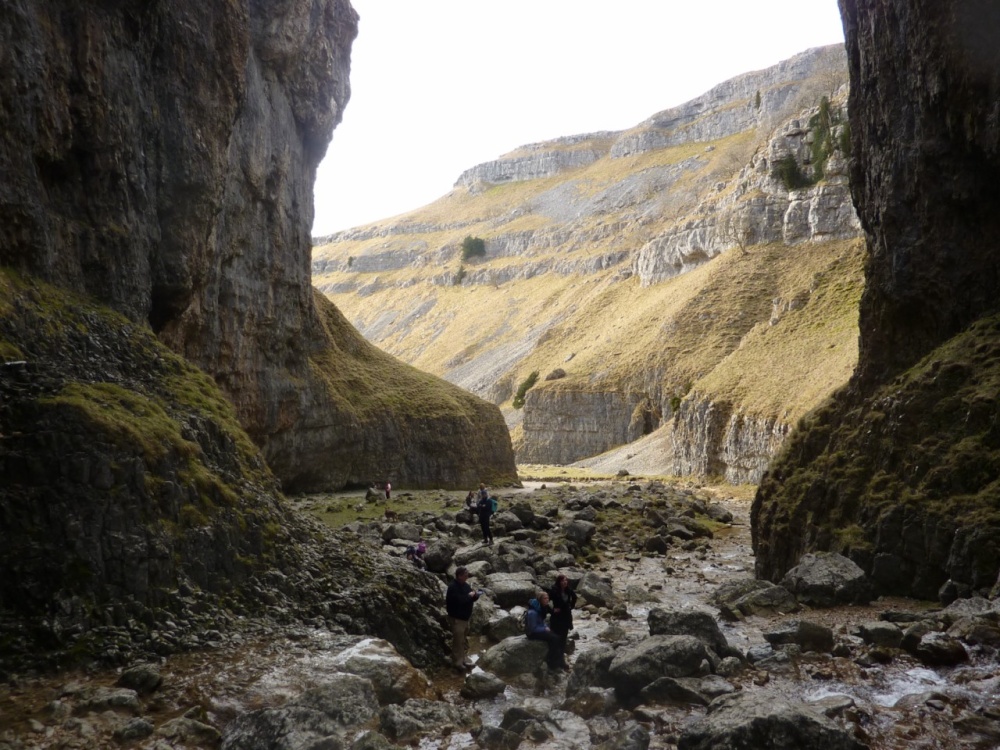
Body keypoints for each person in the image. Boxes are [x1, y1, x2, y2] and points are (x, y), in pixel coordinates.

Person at [445, 567, 481, 672]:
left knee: (463, 641)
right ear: (459, 576)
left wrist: (475, 595)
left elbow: (470, 598)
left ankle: (463, 660)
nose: (467, 576)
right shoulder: (452, 587)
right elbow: (459, 601)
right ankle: (457, 663)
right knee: (458, 641)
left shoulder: (465, 586)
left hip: (465, 618)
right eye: (465, 574)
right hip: (457, 618)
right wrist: (469, 597)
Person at [524, 592, 567, 672]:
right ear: (540, 600)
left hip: (539, 629)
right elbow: (532, 628)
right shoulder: (532, 612)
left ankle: (558, 661)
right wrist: (544, 629)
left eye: (548, 598)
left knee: (557, 637)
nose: (547, 600)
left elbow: (541, 622)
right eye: (545, 598)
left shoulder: (540, 608)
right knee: (555, 639)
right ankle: (552, 663)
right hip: (532, 633)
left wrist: (545, 627)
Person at [547, 574, 577, 659]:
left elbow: (574, 597)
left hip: (566, 617)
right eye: (563, 581)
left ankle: (561, 659)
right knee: (556, 638)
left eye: (566, 581)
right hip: (557, 617)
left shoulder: (568, 590)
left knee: (563, 638)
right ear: (559, 582)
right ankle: (554, 658)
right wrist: (552, 610)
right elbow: (545, 601)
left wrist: (571, 606)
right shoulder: (554, 591)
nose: (565, 582)